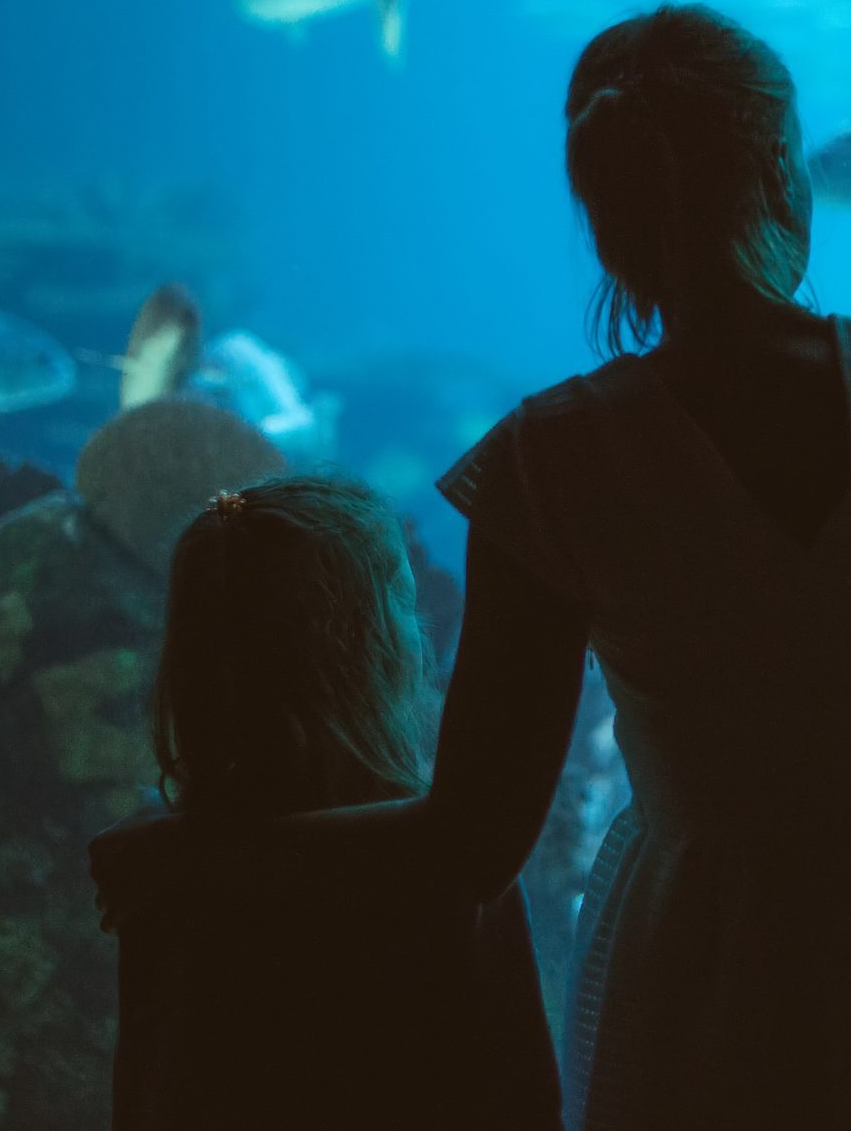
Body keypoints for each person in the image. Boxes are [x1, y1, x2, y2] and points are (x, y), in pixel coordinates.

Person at [156, 3, 851, 1129]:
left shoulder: (551, 462)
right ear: (786, 173)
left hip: (703, 955)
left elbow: (470, 839)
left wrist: (214, 860)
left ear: (607, 221)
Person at [86, 476, 563, 1130]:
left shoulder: (158, 875)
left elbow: (151, 1091)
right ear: (363, 644)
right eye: (401, 596)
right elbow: (521, 1095)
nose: (421, 622)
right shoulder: (446, 863)